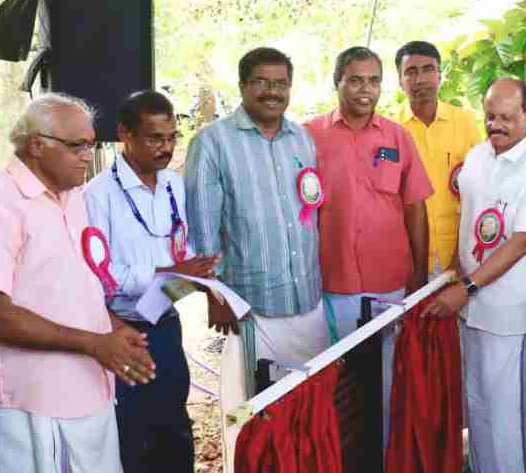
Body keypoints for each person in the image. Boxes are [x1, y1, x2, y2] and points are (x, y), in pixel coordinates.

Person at [0, 93, 154, 473]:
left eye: (91, 145)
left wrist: (112, 328)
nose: (87, 156)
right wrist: (94, 343)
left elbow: (69, 288)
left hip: (89, 390)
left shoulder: (74, 197)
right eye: (77, 146)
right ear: (36, 145)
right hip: (29, 399)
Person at [184, 48, 333, 453]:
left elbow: (311, 212)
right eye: (262, 83)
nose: (272, 92)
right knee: (255, 419)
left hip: (308, 301)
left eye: (281, 83)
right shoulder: (212, 143)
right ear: (243, 86)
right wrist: (214, 296)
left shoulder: (301, 139)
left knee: (307, 411)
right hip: (252, 309)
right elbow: (202, 230)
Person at [423, 77, 526, 473]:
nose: (496, 125)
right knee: (481, 410)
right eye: (490, 116)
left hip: (517, 317)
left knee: (520, 422)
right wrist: (457, 275)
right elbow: (469, 223)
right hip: (473, 311)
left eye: (506, 117)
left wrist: (467, 287)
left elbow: (522, 241)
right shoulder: (476, 156)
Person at [84, 91, 218, 472]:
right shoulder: (98, 195)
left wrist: (196, 272)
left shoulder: (174, 184)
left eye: (172, 137)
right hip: (123, 329)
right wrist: (167, 273)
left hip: (166, 322)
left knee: (174, 429)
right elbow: (100, 274)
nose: (166, 148)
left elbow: (184, 246)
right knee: (133, 436)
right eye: (155, 138)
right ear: (125, 134)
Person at [306, 47, 433, 447]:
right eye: (356, 80)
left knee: (388, 384)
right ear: (337, 82)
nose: (365, 89)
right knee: (339, 385)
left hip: (390, 283)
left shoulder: (397, 137)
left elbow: (415, 208)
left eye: (374, 81)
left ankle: (384, 459)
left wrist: (417, 276)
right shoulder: (308, 136)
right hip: (333, 283)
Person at [394, 41, 482, 276]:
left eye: (428, 69)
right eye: (411, 72)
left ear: (439, 75)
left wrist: (460, 257)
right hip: (409, 258)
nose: (420, 79)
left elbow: (480, 188)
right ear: (400, 81)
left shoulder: (465, 122)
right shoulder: (391, 130)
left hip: (460, 253)